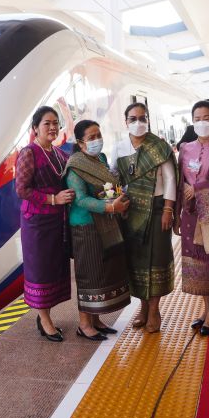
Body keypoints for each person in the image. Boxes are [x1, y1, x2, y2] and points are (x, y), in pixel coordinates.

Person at [112, 102, 177, 333]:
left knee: (157, 259)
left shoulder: (159, 146)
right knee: (137, 261)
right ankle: (142, 308)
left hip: (159, 208)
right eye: (133, 118)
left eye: (142, 118)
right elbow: (115, 180)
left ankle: (154, 310)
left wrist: (168, 210)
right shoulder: (119, 148)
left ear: (148, 119)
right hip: (132, 212)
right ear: (125, 121)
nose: (138, 122)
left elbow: (170, 180)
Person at [65, 120, 131, 341]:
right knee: (89, 275)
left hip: (105, 222)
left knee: (103, 273)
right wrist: (110, 206)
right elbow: (81, 199)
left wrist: (116, 199)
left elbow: (107, 187)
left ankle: (96, 319)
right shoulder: (75, 165)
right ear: (80, 142)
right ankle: (84, 324)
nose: (96, 140)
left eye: (98, 135)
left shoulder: (100, 159)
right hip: (85, 226)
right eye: (91, 137)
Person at [15, 106, 74, 342]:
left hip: (57, 222)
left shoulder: (60, 155)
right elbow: (21, 189)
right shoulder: (29, 153)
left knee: (53, 270)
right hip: (37, 223)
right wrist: (53, 199)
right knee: (40, 271)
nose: (52, 127)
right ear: (35, 128)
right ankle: (45, 320)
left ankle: (45, 316)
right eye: (46, 123)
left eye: (55, 122)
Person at [175, 101, 209, 336]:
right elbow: (179, 182)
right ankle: (206, 310)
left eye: (206, 117)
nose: (202, 122)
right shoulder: (185, 149)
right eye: (197, 118)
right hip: (191, 213)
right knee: (199, 264)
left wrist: (199, 187)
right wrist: (178, 210)